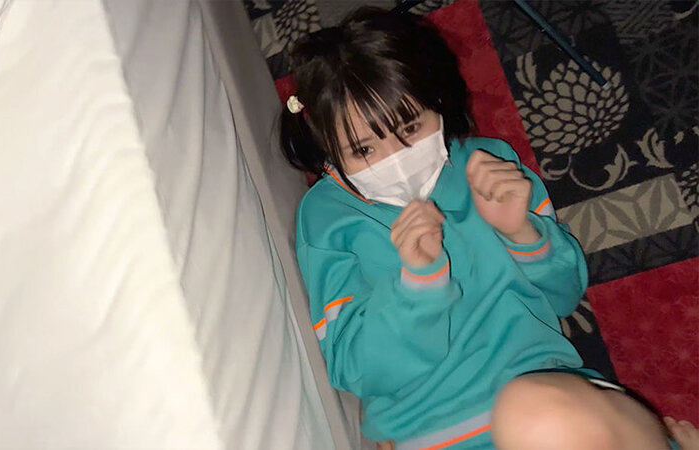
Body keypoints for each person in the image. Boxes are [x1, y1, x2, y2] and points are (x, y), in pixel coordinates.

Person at [278, 7, 697, 450]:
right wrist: (417, 285)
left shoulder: (488, 163)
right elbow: (357, 369)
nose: (395, 159)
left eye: (411, 127)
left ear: (437, 103)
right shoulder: (326, 218)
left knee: (537, 412)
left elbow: (564, 294)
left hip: (557, 405)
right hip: (439, 435)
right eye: (363, 150)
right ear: (327, 147)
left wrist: (524, 233)